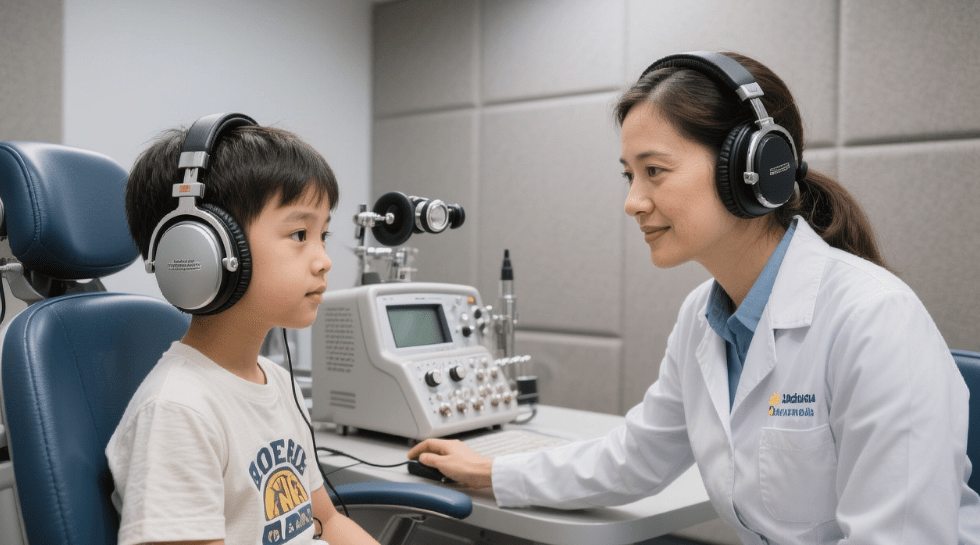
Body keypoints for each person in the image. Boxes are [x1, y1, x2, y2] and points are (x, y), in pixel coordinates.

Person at [408, 52, 980, 544]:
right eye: (628, 175)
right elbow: (636, 456)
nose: (633, 201)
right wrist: (495, 473)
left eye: (654, 171)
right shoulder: (703, 318)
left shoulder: (874, 320)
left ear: (753, 169)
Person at [107, 117, 380, 545]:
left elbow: (326, 521)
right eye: (299, 233)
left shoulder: (277, 382)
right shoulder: (178, 411)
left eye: (323, 235)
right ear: (202, 249)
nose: (324, 259)